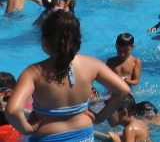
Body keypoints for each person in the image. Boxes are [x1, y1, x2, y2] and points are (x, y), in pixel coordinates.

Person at [4, 10, 130, 142]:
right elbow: (123, 90)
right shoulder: (92, 65)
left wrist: (27, 130)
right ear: (78, 39)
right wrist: (99, 117)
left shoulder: (33, 72)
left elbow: (12, 110)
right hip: (83, 135)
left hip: (47, 137)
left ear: (44, 41)